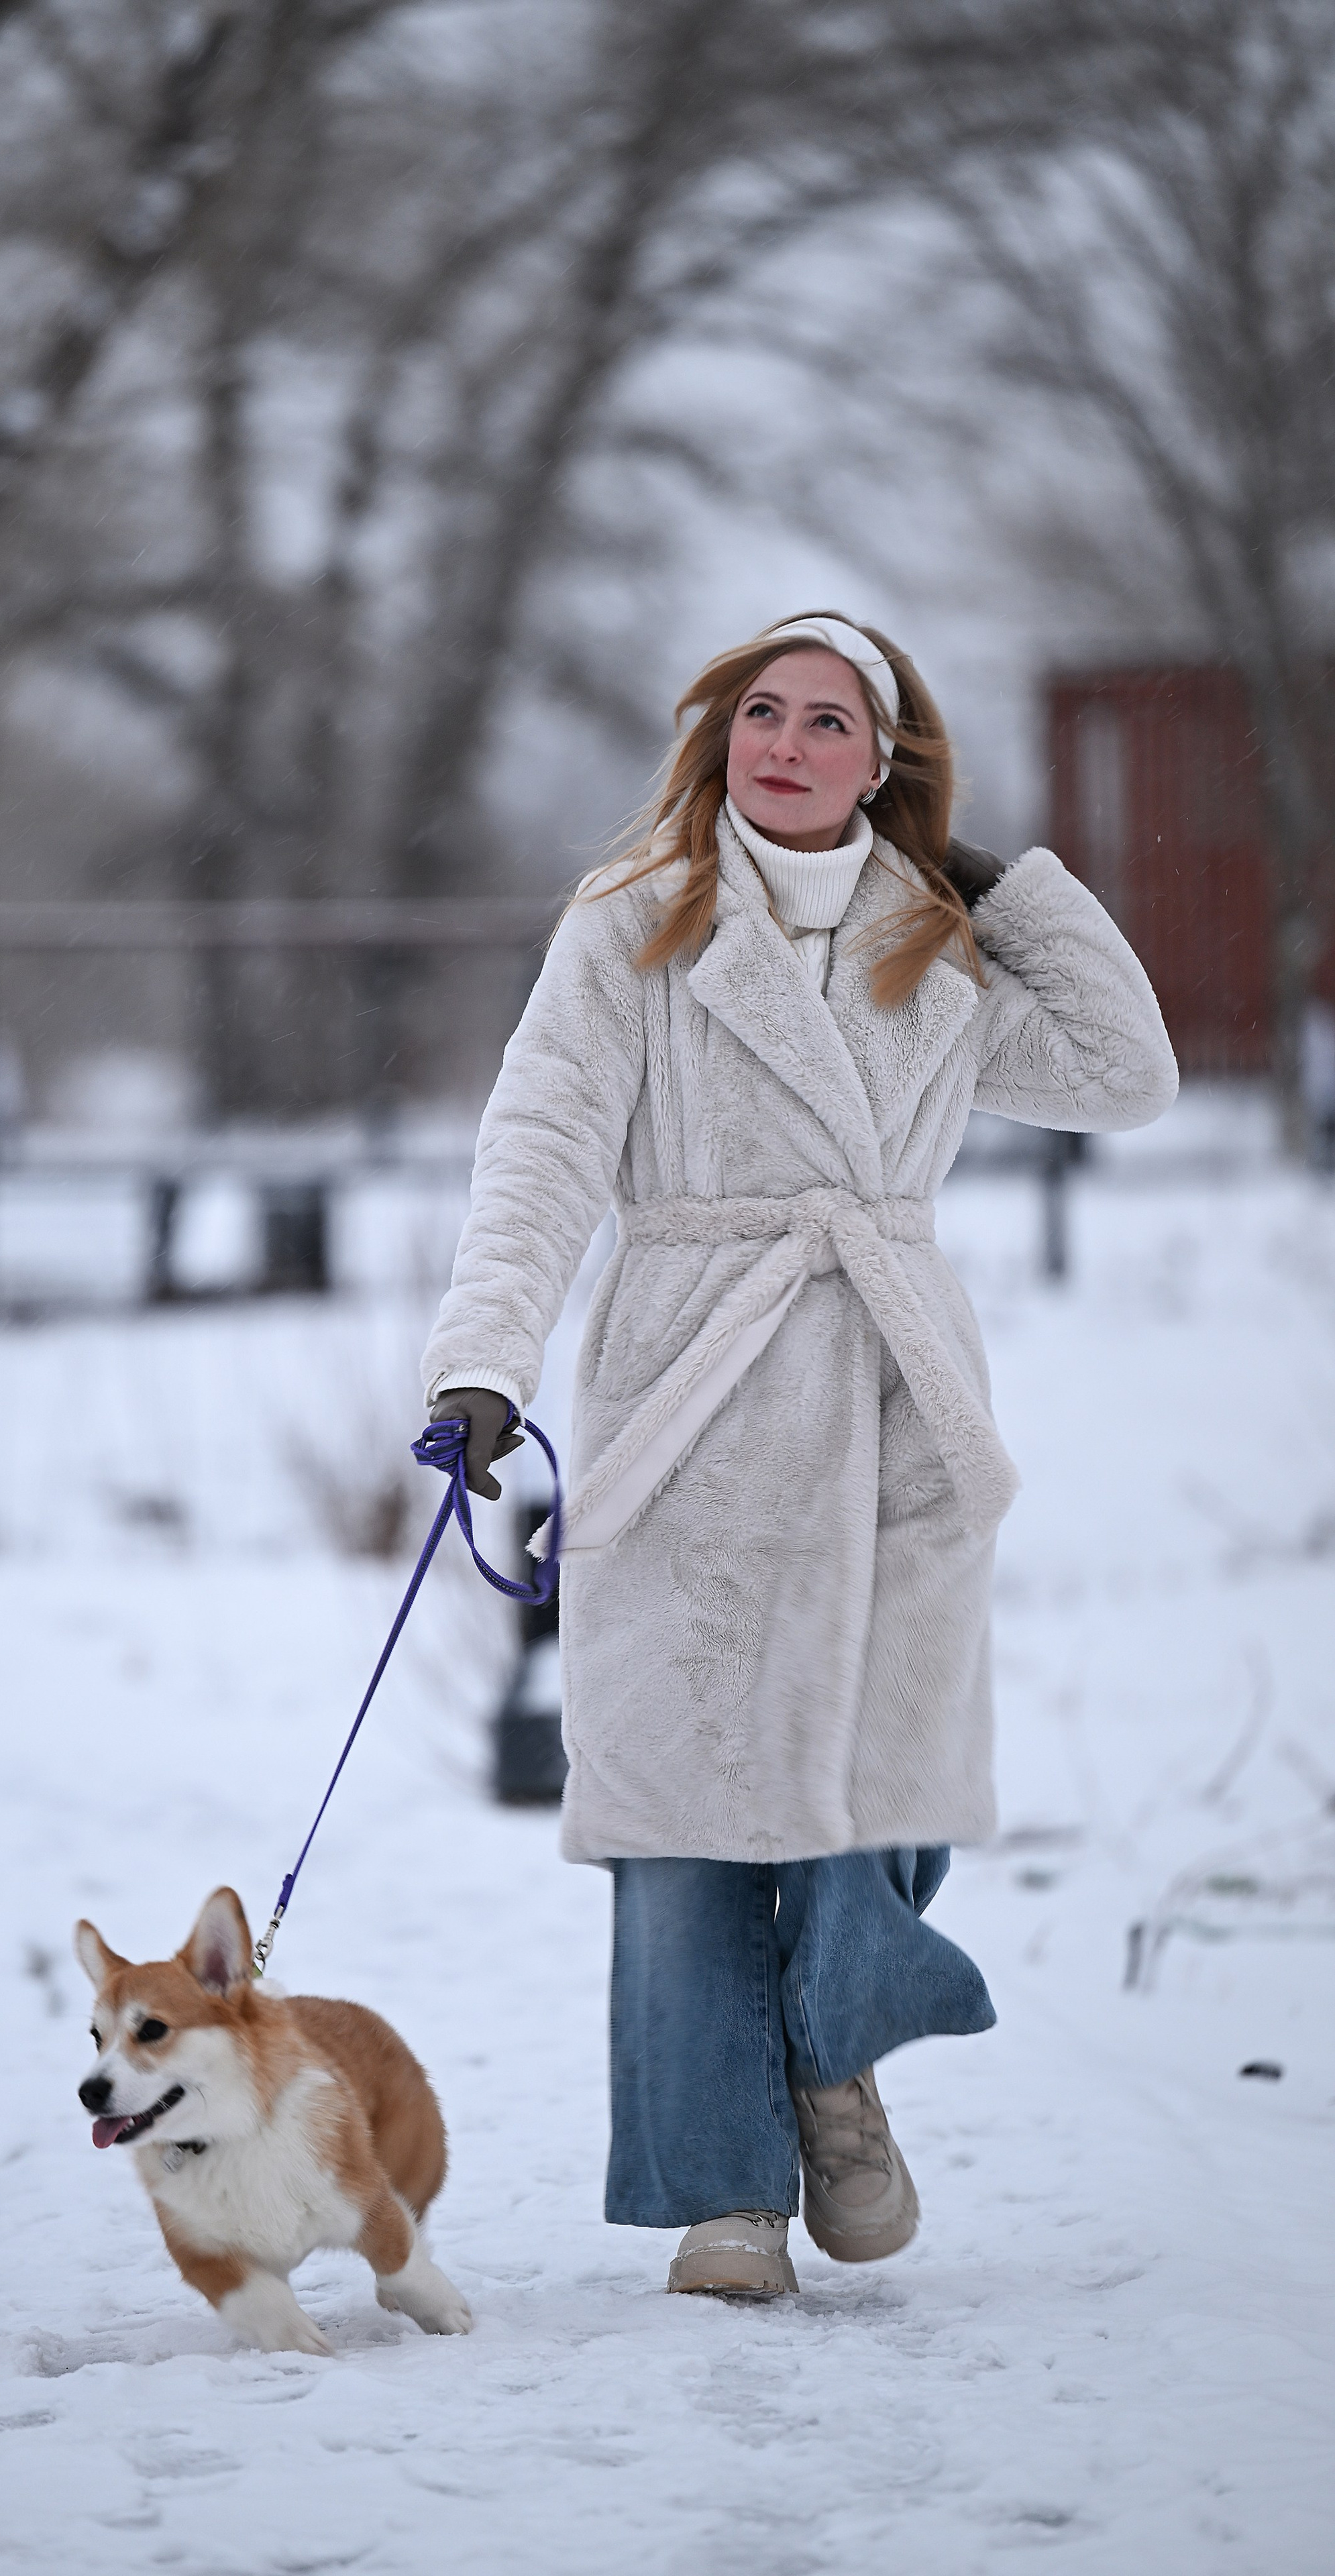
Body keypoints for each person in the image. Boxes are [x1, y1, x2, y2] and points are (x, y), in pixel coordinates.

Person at [421, 612, 1179, 2300]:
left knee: (884, 1772)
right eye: (759, 712)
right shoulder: (631, 923)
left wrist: (1000, 887)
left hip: (894, 1387)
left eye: (827, 722)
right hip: (691, 1388)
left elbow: (1125, 1076)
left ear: (882, 760)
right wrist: (481, 1363)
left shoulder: (935, 941)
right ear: (719, 737)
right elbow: (539, 1147)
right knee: (684, 1805)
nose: (783, 743)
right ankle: (725, 2199)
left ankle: (835, 2053)